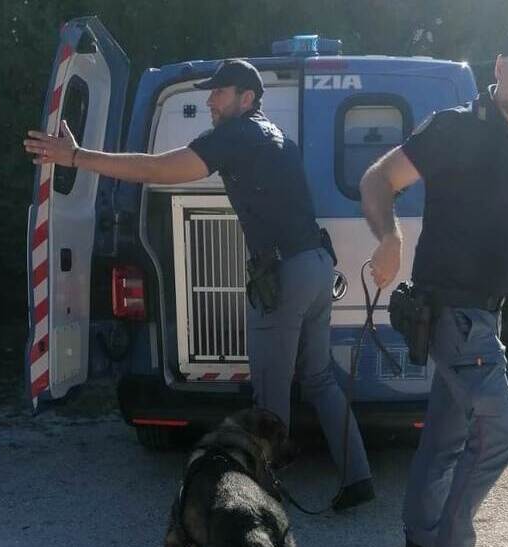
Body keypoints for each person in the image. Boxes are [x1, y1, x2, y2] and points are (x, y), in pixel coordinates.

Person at [24, 58, 373, 510]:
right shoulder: (276, 136)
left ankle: (263, 507)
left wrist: (76, 157)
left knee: (269, 399)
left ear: (246, 98)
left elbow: (158, 169)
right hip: (317, 266)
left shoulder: (236, 133)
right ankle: (358, 478)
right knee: (319, 378)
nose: (210, 100)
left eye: (219, 92)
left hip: (285, 276)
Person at [359, 16, 508, 547]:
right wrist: (389, 235)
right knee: (499, 434)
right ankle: (452, 540)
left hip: (488, 314)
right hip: (453, 311)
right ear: (500, 67)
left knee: (446, 438)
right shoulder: (455, 128)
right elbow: (378, 179)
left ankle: (421, 537)